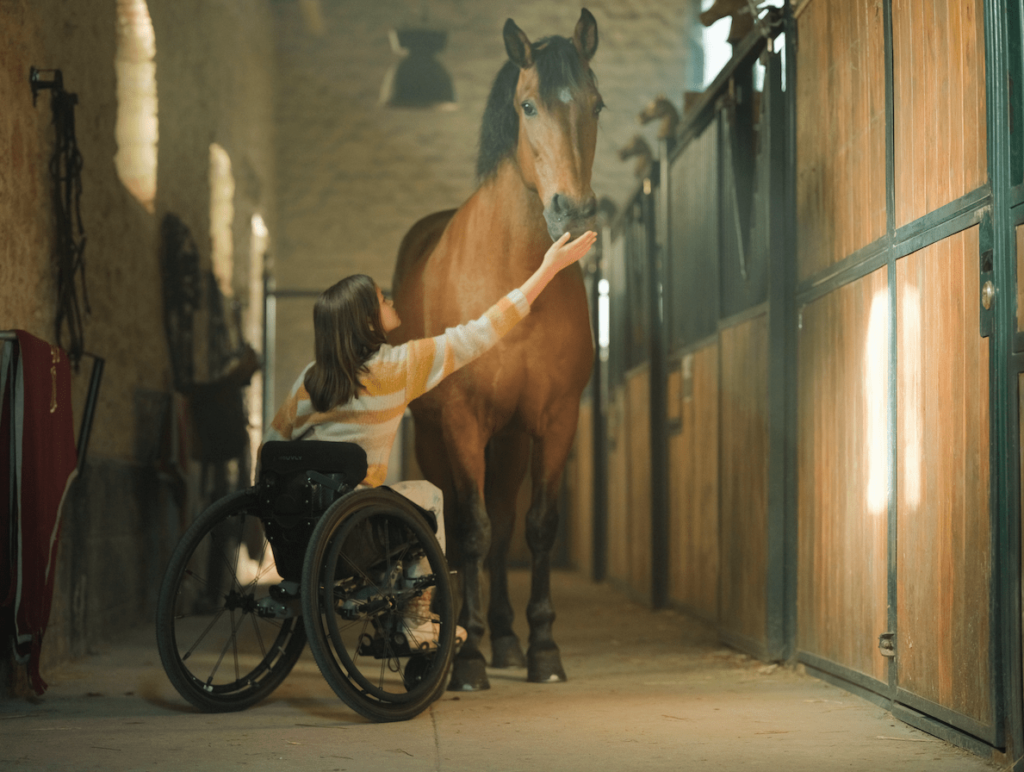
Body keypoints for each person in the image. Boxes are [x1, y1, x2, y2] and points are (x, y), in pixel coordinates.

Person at [263, 228, 597, 647]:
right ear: (369, 322)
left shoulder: (310, 380)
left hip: (306, 533)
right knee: (427, 496)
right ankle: (416, 618)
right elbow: (482, 331)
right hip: (359, 530)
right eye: (384, 300)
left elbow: (272, 449)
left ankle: (310, 586)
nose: (393, 302)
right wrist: (547, 269)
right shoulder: (398, 368)